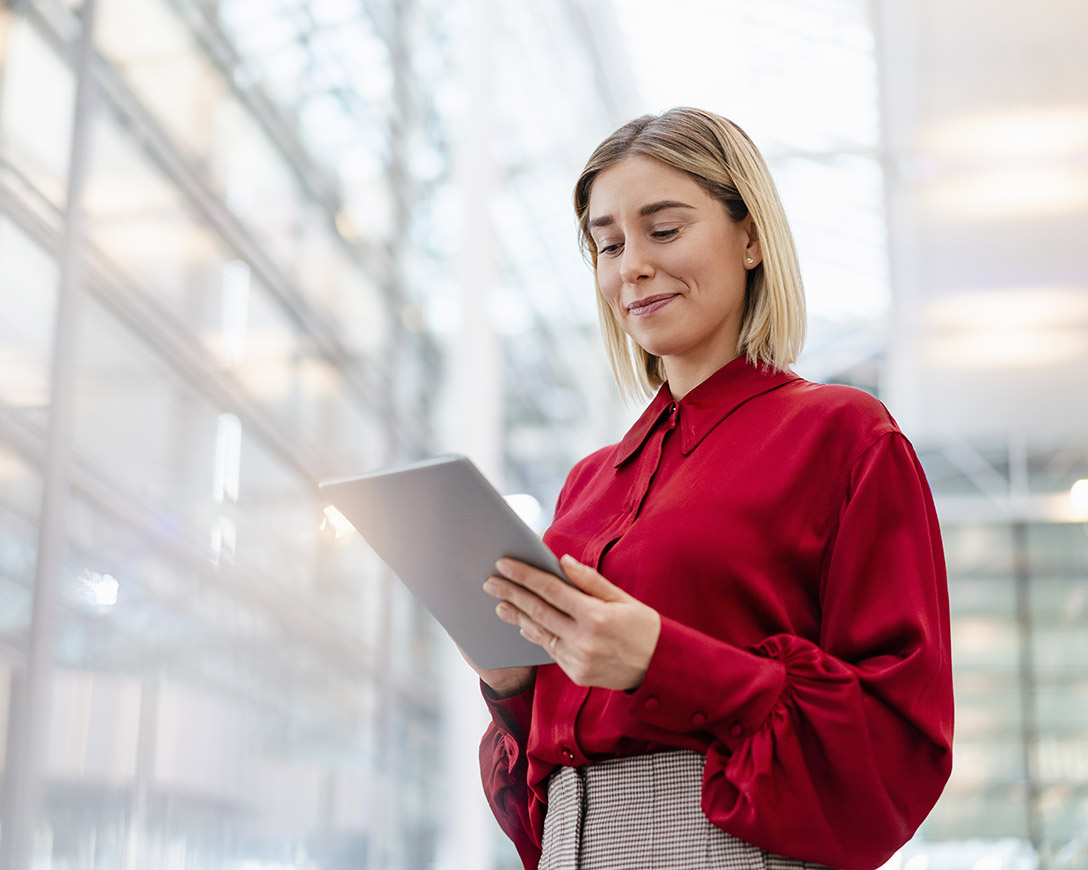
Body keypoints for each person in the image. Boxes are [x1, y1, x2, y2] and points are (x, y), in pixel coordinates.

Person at [464, 107, 953, 870]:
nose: (631, 267)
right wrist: (510, 688)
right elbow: (533, 790)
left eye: (664, 231)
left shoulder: (845, 435)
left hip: (724, 840)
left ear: (752, 237)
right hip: (571, 841)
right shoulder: (589, 483)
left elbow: (898, 737)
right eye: (608, 244)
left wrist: (661, 661)